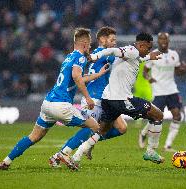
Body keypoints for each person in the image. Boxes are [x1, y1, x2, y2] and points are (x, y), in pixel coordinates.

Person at [0, 28, 109, 170]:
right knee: (94, 126)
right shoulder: (80, 57)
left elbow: (78, 78)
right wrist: (88, 98)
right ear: (84, 44)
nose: (91, 47)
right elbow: (76, 77)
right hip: (61, 105)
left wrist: (98, 75)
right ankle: (65, 154)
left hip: (48, 103)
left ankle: (6, 161)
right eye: (90, 44)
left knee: (34, 136)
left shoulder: (69, 57)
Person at [71, 33, 165, 169]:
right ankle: (150, 151)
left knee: (102, 130)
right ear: (141, 45)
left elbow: (139, 58)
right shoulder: (131, 51)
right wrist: (93, 57)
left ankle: (77, 156)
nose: (149, 50)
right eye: (148, 48)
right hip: (122, 99)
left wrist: (149, 56)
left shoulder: (134, 53)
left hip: (108, 99)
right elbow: (112, 51)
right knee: (158, 115)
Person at [48, 26, 128, 168]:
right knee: (90, 128)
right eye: (112, 39)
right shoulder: (104, 53)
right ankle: (60, 154)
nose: (115, 43)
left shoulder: (99, 53)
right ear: (102, 39)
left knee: (121, 128)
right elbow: (120, 56)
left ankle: (87, 143)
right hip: (94, 97)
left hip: (106, 98)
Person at [138, 32, 186, 152]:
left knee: (177, 115)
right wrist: (149, 78)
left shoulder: (174, 55)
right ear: (158, 41)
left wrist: (184, 70)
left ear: (168, 41)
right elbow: (145, 71)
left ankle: (168, 146)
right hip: (159, 90)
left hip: (172, 90)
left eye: (165, 39)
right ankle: (143, 133)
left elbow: (177, 71)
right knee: (156, 118)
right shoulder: (153, 55)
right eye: (161, 39)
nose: (163, 41)